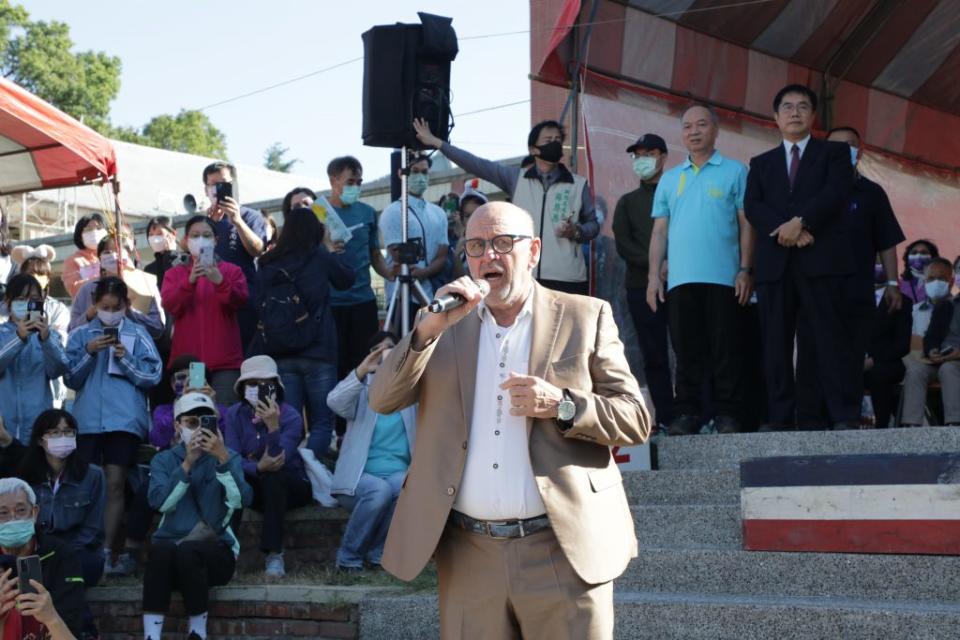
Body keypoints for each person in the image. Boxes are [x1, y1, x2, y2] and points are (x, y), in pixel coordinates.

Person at [368, 201, 651, 638]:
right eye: (477, 246)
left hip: (562, 548)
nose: (488, 256)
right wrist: (425, 331)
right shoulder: (444, 325)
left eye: (503, 243)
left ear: (534, 251)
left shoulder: (584, 315)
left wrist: (564, 405)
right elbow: (382, 398)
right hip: (469, 555)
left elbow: (635, 419)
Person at [744, 84, 856, 430]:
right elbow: (753, 206)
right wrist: (785, 229)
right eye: (787, 107)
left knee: (824, 340)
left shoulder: (834, 154)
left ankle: (836, 415)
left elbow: (835, 193)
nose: (795, 112)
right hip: (775, 266)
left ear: (813, 116)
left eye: (802, 106)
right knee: (776, 344)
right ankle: (779, 419)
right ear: (776, 118)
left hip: (819, 262)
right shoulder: (761, 164)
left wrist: (801, 222)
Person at [646, 106, 753, 435]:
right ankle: (687, 414)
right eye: (687, 126)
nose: (694, 131)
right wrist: (653, 275)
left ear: (716, 130)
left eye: (701, 125)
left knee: (727, 349)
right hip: (680, 279)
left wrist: (746, 269)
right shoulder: (670, 179)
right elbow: (660, 231)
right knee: (685, 350)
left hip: (724, 277)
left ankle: (728, 414)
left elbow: (746, 223)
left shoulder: (736, 172)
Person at [796, 127, 907, 427]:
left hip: (857, 287)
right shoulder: (809, 191)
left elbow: (886, 240)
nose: (843, 151)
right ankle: (810, 418)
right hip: (815, 286)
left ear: (860, 150)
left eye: (849, 145)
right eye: (835, 146)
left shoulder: (872, 193)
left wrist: (893, 284)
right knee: (813, 351)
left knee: (851, 352)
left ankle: (846, 416)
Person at [415, 118, 600, 295]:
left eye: (558, 140)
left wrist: (575, 231)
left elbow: (593, 225)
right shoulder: (516, 179)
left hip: (568, 279)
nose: (555, 143)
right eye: (548, 140)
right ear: (533, 149)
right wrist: (437, 143)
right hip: (525, 275)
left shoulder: (578, 184)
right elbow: (476, 164)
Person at [64, 276, 163, 576]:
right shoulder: (81, 335)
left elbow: (153, 375)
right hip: (88, 421)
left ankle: (108, 552)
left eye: (115, 307)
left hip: (124, 420)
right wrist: (90, 352)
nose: (109, 312)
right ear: (94, 305)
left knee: (116, 482)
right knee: (87, 485)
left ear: (126, 306)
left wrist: (125, 358)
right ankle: (86, 548)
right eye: (103, 307)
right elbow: (70, 378)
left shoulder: (138, 333)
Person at [141, 392, 251, 640]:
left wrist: (222, 459)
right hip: (172, 558)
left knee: (189, 551)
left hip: (214, 553)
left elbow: (242, 500)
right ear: (178, 426)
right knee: (160, 550)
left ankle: (197, 632)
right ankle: (151, 635)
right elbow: (160, 504)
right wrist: (187, 464)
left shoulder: (229, 456)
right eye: (191, 422)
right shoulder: (164, 459)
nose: (199, 428)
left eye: (206, 421)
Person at [253, 207, 353, 458]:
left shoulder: (268, 262)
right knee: (322, 423)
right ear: (316, 230)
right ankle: (311, 474)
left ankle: (294, 475)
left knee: (291, 423)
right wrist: (329, 246)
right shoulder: (319, 255)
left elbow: (258, 303)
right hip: (319, 351)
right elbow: (346, 279)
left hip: (281, 352)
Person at [328, 331, 416, 571]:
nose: (383, 353)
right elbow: (334, 402)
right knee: (379, 491)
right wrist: (361, 371)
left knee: (404, 489)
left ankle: (379, 556)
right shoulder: (361, 389)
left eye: (389, 347)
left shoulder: (411, 388)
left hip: (398, 472)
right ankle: (348, 558)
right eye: (376, 349)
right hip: (358, 478)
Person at [18, 408, 105, 638]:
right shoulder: (27, 478)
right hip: (43, 550)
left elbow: (93, 528)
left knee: (66, 564)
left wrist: (64, 551)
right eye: (55, 432)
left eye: (68, 432)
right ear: (40, 439)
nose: (63, 437)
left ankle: (79, 630)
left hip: (82, 551)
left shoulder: (93, 475)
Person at [223, 356, 312, 579]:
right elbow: (232, 458)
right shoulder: (234, 414)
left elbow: (278, 460)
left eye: (264, 384)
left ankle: (274, 553)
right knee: (230, 480)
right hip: (254, 485)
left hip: (290, 485)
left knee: (274, 476)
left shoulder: (290, 416)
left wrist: (273, 427)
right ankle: (226, 555)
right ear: (242, 387)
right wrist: (256, 468)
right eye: (252, 384)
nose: (257, 389)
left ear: (275, 387)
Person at [612, 134, 673, 428]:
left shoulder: (678, 192)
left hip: (681, 281)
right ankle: (666, 416)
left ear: (662, 157)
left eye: (648, 153)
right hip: (640, 286)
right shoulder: (627, 202)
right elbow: (624, 245)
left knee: (691, 350)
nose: (642, 160)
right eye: (637, 155)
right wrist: (656, 265)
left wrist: (672, 263)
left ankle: (696, 411)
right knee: (654, 353)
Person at [160, 215, 249, 405]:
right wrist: (189, 281)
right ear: (186, 241)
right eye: (195, 235)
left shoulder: (231, 271)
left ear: (216, 240)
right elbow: (169, 304)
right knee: (195, 415)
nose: (201, 239)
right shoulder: (175, 274)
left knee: (225, 416)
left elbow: (240, 301)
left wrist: (220, 282)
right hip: (192, 365)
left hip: (225, 362)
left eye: (206, 235)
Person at [0, 477, 86, 639]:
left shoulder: (61, 554)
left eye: (20, 510)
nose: (13, 519)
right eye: (3, 513)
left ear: (34, 513)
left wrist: (50, 616)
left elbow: (71, 630)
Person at [201, 162, 268, 348]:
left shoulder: (250, 216)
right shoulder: (202, 224)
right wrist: (209, 228)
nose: (217, 189)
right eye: (212, 184)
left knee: (245, 355)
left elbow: (257, 250)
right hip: (211, 301)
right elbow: (201, 261)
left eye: (223, 183)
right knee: (210, 353)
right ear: (206, 189)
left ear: (233, 185)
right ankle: (201, 379)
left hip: (244, 300)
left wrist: (237, 221)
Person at [379, 155, 450, 326]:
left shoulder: (438, 213)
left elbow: (442, 255)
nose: (420, 177)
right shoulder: (393, 212)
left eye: (424, 172)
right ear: (402, 174)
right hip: (403, 297)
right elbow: (398, 256)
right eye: (415, 171)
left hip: (432, 294)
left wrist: (425, 272)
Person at [0, 275, 70, 445]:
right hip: (3, 428)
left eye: (34, 299)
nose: (27, 303)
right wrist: (19, 337)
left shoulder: (49, 335)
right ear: (8, 302)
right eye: (21, 299)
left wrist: (46, 339)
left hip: (38, 426)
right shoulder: (2, 333)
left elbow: (59, 369)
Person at [69, 235, 165, 339]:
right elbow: (71, 330)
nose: (113, 256)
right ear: (100, 258)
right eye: (107, 253)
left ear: (127, 256)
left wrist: (129, 312)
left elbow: (157, 328)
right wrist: (89, 315)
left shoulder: (145, 285)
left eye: (117, 252)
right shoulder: (86, 290)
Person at [901, 258, 959, 426]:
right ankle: (911, 425)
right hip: (941, 359)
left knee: (949, 369)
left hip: (955, 362)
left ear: (950, 280)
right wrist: (932, 350)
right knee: (916, 371)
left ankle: (954, 424)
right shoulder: (946, 305)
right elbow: (931, 336)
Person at [863, 264, 912, 427]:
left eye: (881, 262)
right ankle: (842, 425)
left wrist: (874, 359)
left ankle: (882, 429)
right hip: (853, 361)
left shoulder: (903, 302)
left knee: (878, 375)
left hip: (886, 363)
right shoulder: (851, 299)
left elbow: (902, 345)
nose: (878, 266)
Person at [150, 354, 227, 451]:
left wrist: (211, 405)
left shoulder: (221, 410)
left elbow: (227, 437)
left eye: (193, 378)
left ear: (203, 381)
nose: (187, 381)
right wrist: (180, 405)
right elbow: (157, 440)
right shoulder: (163, 411)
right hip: (176, 461)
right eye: (181, 377)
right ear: (173, 384)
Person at [61, 214, 107, 299]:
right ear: (80, 236)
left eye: (99, 228)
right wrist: (102, 278)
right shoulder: (73, 260)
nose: (95, 232)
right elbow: (74, 288)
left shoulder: (115, 255)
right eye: (89, 229)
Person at [144, 216, 186, 291]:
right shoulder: (149, 269)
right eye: (151, 235)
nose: (154, 238)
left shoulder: (186, 259)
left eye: (159, 234)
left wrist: (170, 253)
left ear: (173, 234)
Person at [899, 239, 939, 304]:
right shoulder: (898, 285)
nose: (918, 256)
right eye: (914, 253)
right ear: (907, 257)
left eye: (924, 253)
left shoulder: (939, 283)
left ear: (933, 257)